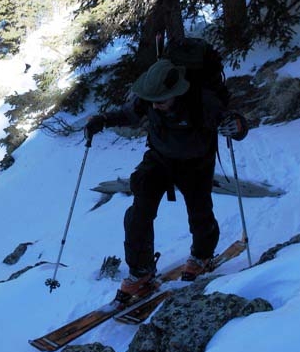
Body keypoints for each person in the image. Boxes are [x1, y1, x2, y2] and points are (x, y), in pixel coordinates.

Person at [84, 57, 247, 304]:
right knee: (139, 212)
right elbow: (129, 114)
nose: (155, 106)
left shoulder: (202, 100)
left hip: (196, 162)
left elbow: (231, 120)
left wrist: (237, 126)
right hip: (159, 159)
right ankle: (141, 272)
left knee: (199, 210)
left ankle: (201, 257)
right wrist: (103, 120)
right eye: (152, 102)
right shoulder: (150, 98)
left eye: (161, 101)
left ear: (176, 92)